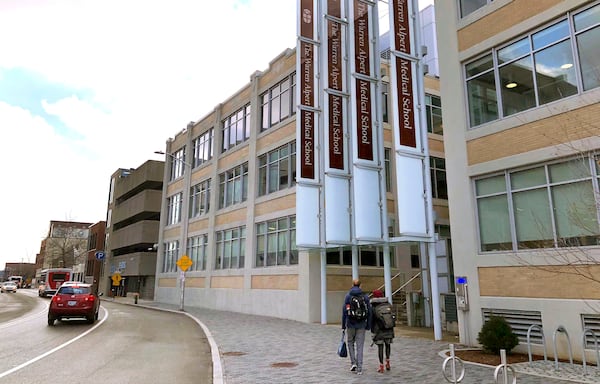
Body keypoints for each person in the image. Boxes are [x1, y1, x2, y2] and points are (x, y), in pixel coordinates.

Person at [341, 279, 371, 375]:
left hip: (350, 324)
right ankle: (360, 368)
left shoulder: (348, 296)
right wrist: (368, 325)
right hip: (361, 324)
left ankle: (353, 363)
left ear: (352, 284)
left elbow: (344, 311)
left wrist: (343, 325)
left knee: (350, 342)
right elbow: (369, 311)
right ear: (360, 285)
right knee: (360, 346)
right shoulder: (365, 296)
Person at [370, 289, 395, 373]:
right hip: (389, 328)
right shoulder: (388, 304)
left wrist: (372, 330)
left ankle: (381, 366)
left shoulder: (373, 306)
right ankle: (388, 362)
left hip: (378, 330)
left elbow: (372, 320)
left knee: (380, 347)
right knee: (388, 345)